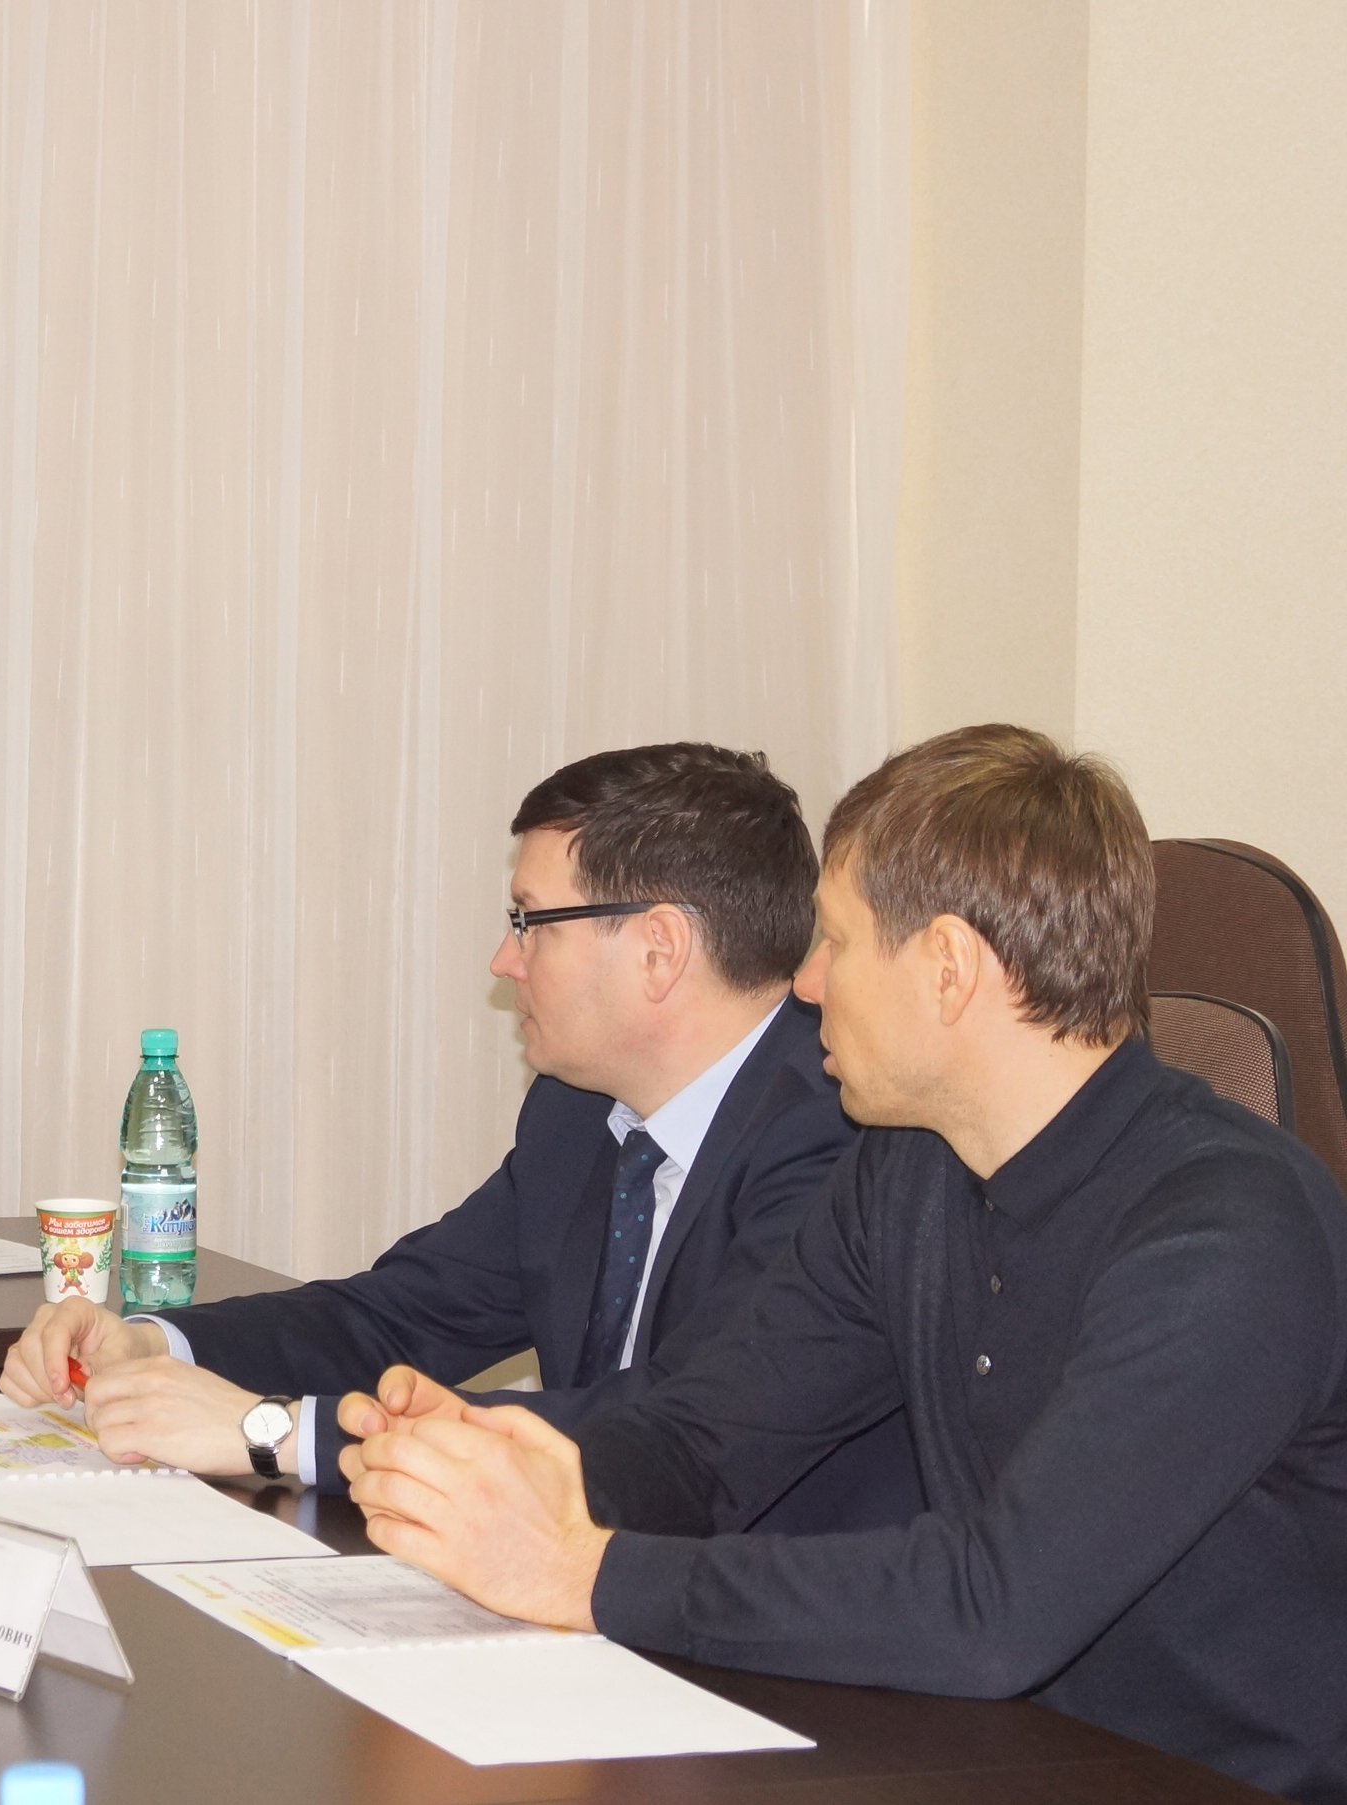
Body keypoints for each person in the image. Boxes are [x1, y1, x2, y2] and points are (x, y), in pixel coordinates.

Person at [345, 725, 1347, 1800]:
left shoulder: (1228, 1232)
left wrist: (582, 1571)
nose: (807, 983)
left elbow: (993, 1606)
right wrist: (518, 1459)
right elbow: (707, 1440)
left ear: (947, 968)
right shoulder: (906, 1169)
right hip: (977, 1750)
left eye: (834, 940)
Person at [1, 743, 919, 1533]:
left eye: (529, 921)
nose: (503, 959)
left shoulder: (840, 1137)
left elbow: (677, 1429)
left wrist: (272, 1430)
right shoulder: (574, 1114)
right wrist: (156, 1346)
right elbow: (402, 1315)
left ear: (659, 948)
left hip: (762, 1635)